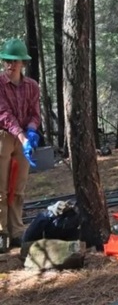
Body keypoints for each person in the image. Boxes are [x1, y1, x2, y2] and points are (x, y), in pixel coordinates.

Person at [0, 38, 40, 252]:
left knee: (18, 188)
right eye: (7, 60)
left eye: (14, 61)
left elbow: (35, 113)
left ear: (23, 63)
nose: (10, 65)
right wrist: (23, 137)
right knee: (1, 188)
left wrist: (32, 130)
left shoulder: (32, 86)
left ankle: (16, 231)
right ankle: (1, 232)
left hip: (23, 138)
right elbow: (4, 115)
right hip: (3, 138)